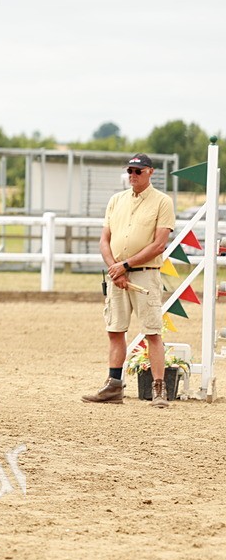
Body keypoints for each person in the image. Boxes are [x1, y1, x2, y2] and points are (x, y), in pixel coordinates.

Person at [82, 154, 176, 408]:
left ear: (150, 172)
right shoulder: (116, 200)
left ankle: (159, 388)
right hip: (117, 274)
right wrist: (116, 269)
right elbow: (104, 239)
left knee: (152, 331)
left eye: (138, 171)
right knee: (115, 329)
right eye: (130, 171)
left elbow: (159, 245)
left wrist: (125, 265)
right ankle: (114, 386)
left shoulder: (163, 202)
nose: (133, 175)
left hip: (145, 273)